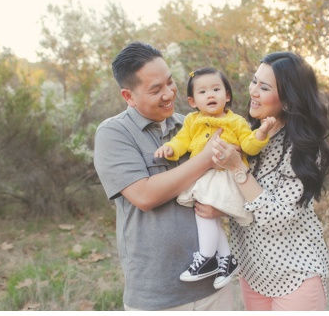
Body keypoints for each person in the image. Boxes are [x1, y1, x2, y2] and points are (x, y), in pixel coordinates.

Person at [93, 42, 232, 310]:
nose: (169, 93)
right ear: (128, 96)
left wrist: (220, 207)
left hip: (212, 287)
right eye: (156, 90)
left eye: (170, 82)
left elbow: (223, 183)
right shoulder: (113, 133)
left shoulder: (192, 124)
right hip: (157, 295)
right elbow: (145, 195)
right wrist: (206, 157)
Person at [197, 52, 329, 310]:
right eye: (254, 81)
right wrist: (221, 208)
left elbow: (276, 220)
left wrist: (238, 168)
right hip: (253, 271)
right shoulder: (248, 135)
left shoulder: (303, 148)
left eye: (264, 87)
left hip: (295, 275)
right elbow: (245, 200)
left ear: (288, 99)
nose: (253, 92)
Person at [153, 66, 276, 287]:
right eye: (202, 92)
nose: (210, 95)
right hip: (204, 176)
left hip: (225, 176)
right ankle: (226, 260)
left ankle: (206, 257)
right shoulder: (191, 121)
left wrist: (261, 133)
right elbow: (182, 140)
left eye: (216, 89)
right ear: (192, 101)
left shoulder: (236, 121)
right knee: (208, 216)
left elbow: (249, 146)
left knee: (204, 215)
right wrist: (170, 148)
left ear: (226, 95)